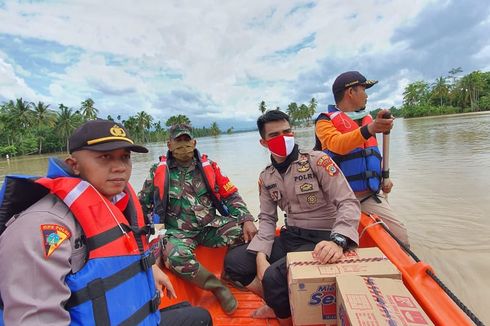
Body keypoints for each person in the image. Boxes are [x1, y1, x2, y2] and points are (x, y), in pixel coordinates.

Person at [0, 119, 211, 326]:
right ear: (73, 165)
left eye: (125, 157)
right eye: (105, 157)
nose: (119, 167)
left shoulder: (117, 203)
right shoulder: (41, 228)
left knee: (198, 316)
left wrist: (150, 268)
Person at [224, 110, 360, 325]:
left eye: (287, 131)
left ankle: (288, 318)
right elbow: (267, 219)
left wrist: (338, 241)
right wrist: (261, 256)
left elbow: (348, 202)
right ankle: (279, 304)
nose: (283, 138)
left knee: (273, 277)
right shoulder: (266, 176)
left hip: (322, 240)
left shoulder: (318, 161)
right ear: (263, 142)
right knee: (235, 262)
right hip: (293, 237)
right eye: (275, 135)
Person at [138, 123, 257, 314]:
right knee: (176, 257)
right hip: (177, 232)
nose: (183, 146)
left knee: (245, 233)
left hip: (209, 226)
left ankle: (229, 274)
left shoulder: (210, 167)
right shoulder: (158, 171)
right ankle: (217, 287)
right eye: (178, 141)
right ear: (169, 145)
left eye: (186, 141)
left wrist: (247, 218)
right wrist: (146, 240)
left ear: (194, 142)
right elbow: (142, 206)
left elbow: (231, 195)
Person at [314, 70, 409, 246]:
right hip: (338, 200)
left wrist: (383, 177)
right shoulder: (324, 121)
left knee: (401, 239)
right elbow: (337, 144)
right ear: (351, 92)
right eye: (364, 89)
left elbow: (371, 155)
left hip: (368, 196)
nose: (366, 95)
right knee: (337, 243)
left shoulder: (367, 119)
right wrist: (371, 129)